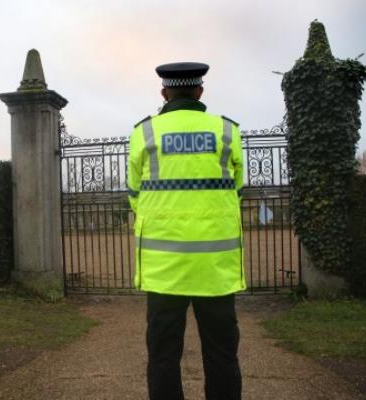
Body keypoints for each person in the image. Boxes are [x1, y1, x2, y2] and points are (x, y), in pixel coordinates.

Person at [127, 62, 245, 400]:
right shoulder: (227, 131)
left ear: (164, 93)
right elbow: (237, 189)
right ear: (200, 91)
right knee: (222, 355)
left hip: (165, 271)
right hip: (215, 270)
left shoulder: (144, 133)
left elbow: (134, 194)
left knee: (163, 356)